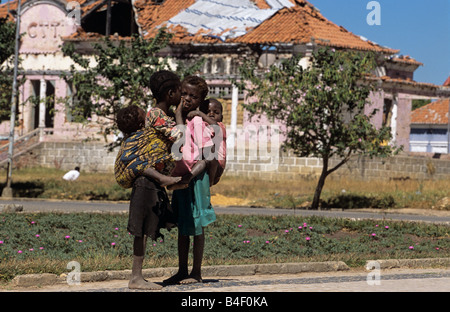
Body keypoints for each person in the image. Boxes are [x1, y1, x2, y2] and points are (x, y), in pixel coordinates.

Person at [114, 70, 184, 290]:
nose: (182, 98)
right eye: (180, 93)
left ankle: (138, 276)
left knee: (146, 228)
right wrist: (181, 113)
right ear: (171, 93)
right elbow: (179, 136)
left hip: (149, 182)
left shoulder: (156, 116)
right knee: (141, 230)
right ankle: (135, 278)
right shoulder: (156, 115)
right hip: (144, 182)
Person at [164, 75, 216, 285]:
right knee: (184, 225)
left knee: (197, 225)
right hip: (182, 178)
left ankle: (196, 272)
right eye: (183, 93)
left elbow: (206, 156)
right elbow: (178, 141)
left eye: (193, 96)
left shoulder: (198, 122)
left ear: (201, 100)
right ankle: (182, 270)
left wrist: (188, 177)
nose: (186, 99)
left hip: (195, 178)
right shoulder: (180, 120)